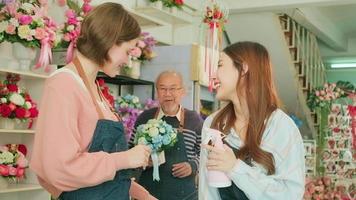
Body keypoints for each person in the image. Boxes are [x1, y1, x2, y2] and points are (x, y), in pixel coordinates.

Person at [30, 3, 156, 200]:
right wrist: (123, 160)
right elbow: (59, 168)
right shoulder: (63, 85)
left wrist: (128, 187)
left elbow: (94, 158)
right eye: (128, 51)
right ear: (110, 42)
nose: (128, 61)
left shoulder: (94, 88)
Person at [199, 41, 305, 200]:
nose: (213, 75)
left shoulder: (281, 127)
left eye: (220, 65)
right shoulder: (213, 124)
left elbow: (290, 194)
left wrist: (235, 168)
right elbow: (208, 190)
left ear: (244, 68)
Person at [129, 70, 203, 200]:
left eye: (173, 89)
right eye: (163, 89)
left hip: (185, 195)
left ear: (182, 91)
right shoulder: (144, 118)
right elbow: (130, 150)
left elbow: (205, 154)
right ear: (157, 92)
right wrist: (143, 161)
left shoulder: (194, 120)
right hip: (147, 194)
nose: (168, 94)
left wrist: (192, 166)